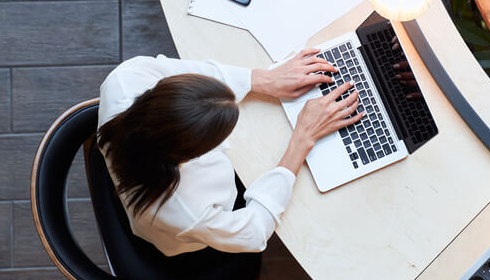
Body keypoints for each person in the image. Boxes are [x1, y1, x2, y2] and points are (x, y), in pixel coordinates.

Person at [97, 50, 363, 257]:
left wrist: (263, 79)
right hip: (183, 242)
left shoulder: (125, 79)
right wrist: (301, 141)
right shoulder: (188, 209)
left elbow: (185, 70)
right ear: (190, 156)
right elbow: (255, 231)